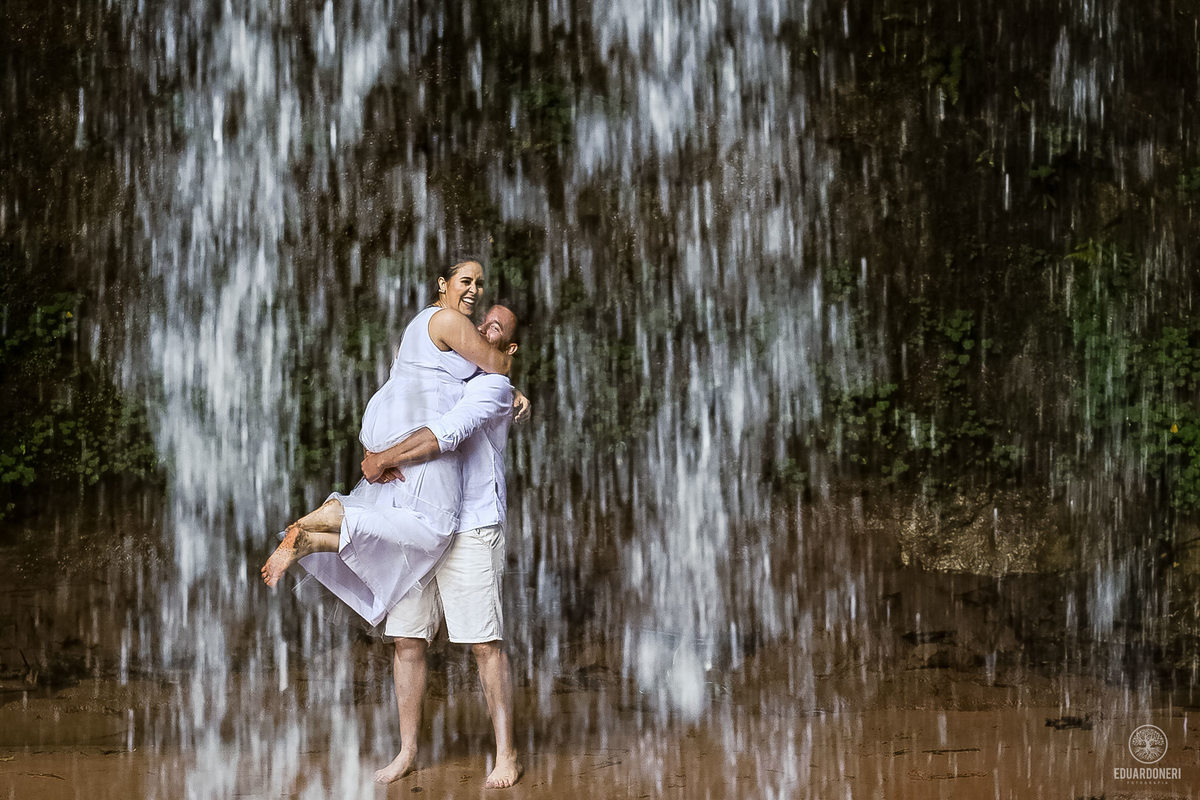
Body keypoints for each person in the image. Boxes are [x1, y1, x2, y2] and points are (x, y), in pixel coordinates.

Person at [259, 259, 512, 630]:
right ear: (443, 283)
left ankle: (317, 536)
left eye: (480, 282)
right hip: (418, 440)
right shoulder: (449, 321)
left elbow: (412, 381)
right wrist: (511, 377)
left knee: (401, 531)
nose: (474, 289)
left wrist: (376, 444)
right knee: (436, 529)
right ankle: (335, 515)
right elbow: (497, 365)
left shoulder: (419, 327)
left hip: (392, 433)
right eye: (465, 280)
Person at [360, 304, 523, 789]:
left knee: (483, 645)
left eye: (496, 329)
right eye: (480, 324)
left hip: (471, 523)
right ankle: (408, 749)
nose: (483, 328)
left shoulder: (493, 387)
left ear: (507, 349)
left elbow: (444, 436)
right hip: (420, 518)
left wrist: (380, 459)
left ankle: (507, 753)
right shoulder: (441, 377)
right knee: (406, 641)